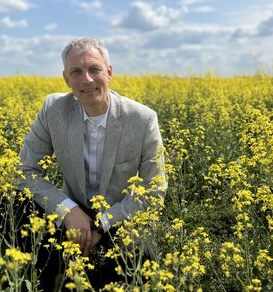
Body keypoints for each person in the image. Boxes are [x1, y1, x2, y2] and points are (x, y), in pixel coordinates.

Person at [16, 37, 167, 290]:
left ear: (109, 73)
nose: (86, 80)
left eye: (94, 69)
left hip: (119, 219)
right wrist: (68, 211)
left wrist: (102, 223)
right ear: (66, 79)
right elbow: (24, 171)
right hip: (72, 217)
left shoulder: (142, 119)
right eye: (76, 72)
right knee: (6, 205)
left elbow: (154, 190)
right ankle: (36, 279)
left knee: (143, 267)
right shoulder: (53, 109)